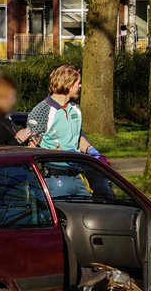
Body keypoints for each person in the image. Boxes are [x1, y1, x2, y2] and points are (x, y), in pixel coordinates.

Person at [27, 65, 103, 195]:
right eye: (78, 83)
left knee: (89, 206)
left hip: (77, 175)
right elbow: (32, 147)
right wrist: (60, 154)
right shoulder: (42, 110)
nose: (80, 86)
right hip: (54, 177)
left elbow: (78, 137)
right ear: (69, 85)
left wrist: (90, 149)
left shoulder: (75, 109)